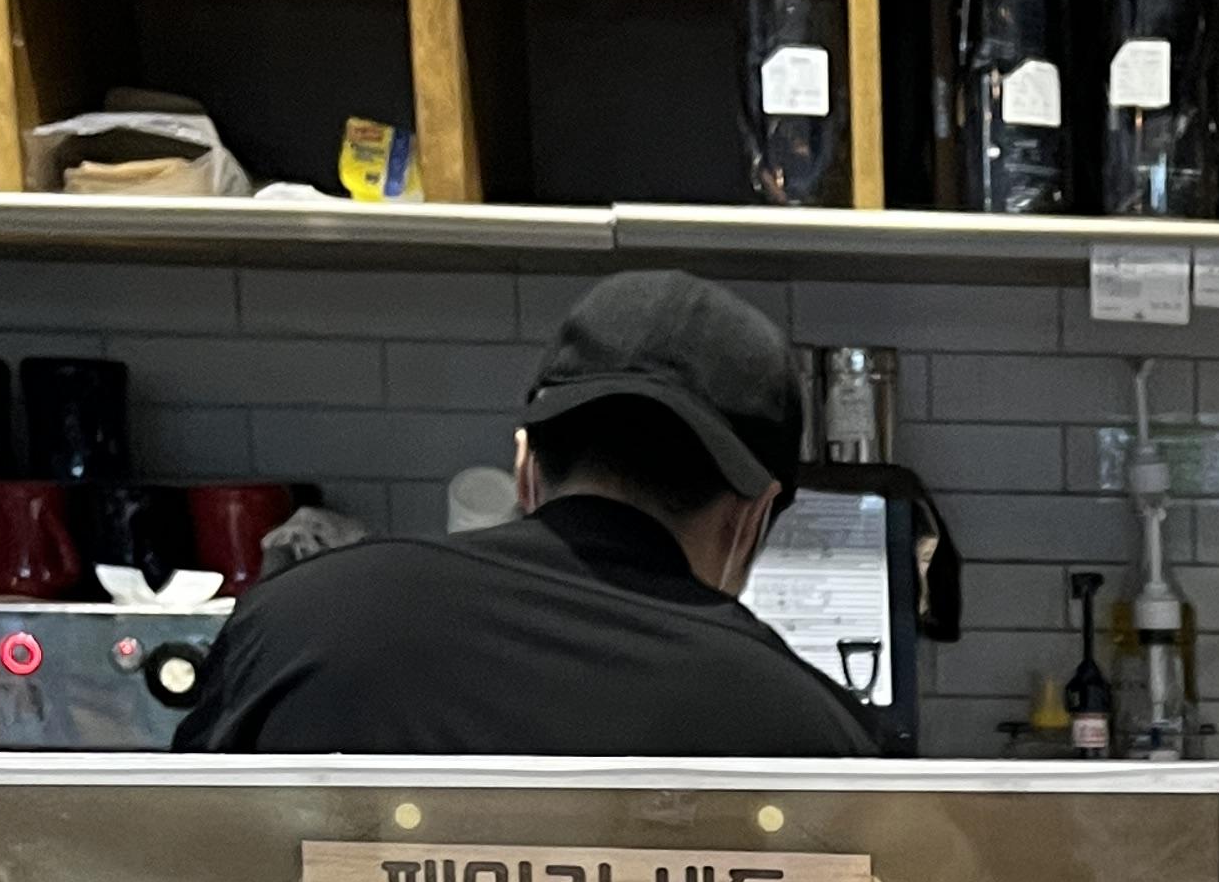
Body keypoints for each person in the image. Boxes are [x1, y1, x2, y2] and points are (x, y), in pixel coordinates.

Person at [176, 271, 875, 757]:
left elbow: (179, 879)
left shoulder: (297, 621)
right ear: (752, 518)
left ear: (524, 467)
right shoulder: (812, 732)